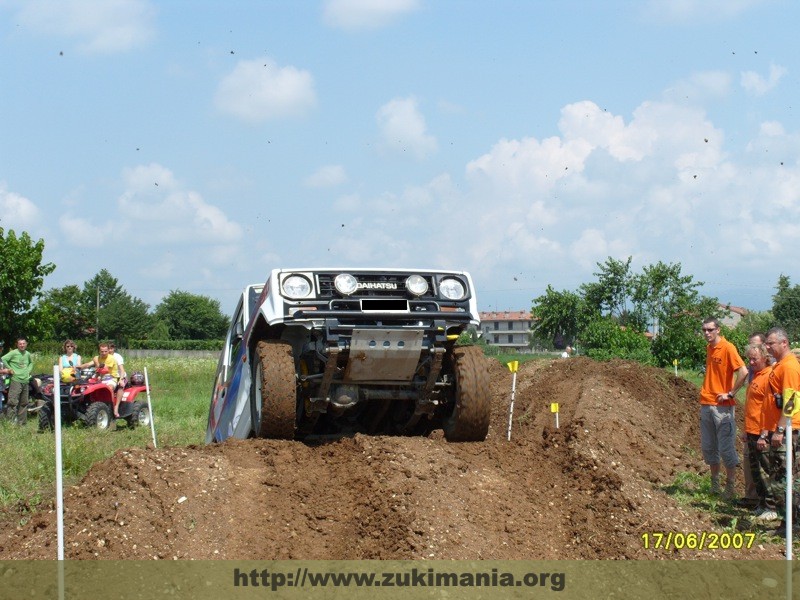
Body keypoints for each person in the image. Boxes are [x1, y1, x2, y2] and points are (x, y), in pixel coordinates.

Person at [698, 318, 748, 498]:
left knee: (726, 448)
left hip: (722, 407)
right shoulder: (710, 348)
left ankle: (730, 487)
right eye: (704, 330)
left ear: (718, 329)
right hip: (706, 403)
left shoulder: (728, 348)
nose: (707, 333)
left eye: (710, 329)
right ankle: (715, 485)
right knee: (709, 447)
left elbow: (743, 371)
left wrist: (731, 393)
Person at [764, 327, 800, 534]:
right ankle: (788, 523)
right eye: (767, 343)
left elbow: (791, 401)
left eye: (771, 343)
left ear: (784, 343)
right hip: (781, 428)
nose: (767, 347)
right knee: (781, 476)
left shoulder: (789, 368)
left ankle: (790, 525)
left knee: (782, 477)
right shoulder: (781, 366)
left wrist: (780, 430)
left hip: (788, 429)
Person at [742, 342, 777, 519]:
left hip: (762, 432)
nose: (751, 362)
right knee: (756, 471)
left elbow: (769, 409)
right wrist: (745, 430)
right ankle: (762, 504)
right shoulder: (756, 376)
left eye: (754, 359)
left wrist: (764, 433)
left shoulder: (769, 377)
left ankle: (771, 507)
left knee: (765, 470)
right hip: (751, 429)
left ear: (765, 357)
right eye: (749, 359)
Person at [2, 338, 34, 425]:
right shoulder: (13, 352)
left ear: (26, 344)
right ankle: (10, 422)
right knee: (13, 402)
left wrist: (28, 371)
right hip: (16, 380)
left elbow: (31, 363)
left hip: (25, 380)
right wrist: (10, 369)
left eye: (24, 343)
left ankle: (22, 423)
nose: (22, 345)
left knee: (24, 403)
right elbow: (3, 359)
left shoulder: (27, 354)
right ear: (17, 344)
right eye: (20, 344)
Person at [108, 342, 127, 417]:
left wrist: (121, 379)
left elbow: (122, 370)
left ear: (113, 349)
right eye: (108, 348)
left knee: (120, 386)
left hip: (120, 376)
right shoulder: (105, 357)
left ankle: (116, 406)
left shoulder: (117, 357)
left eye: (111, 348)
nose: (110, 350)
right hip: (110, 377)